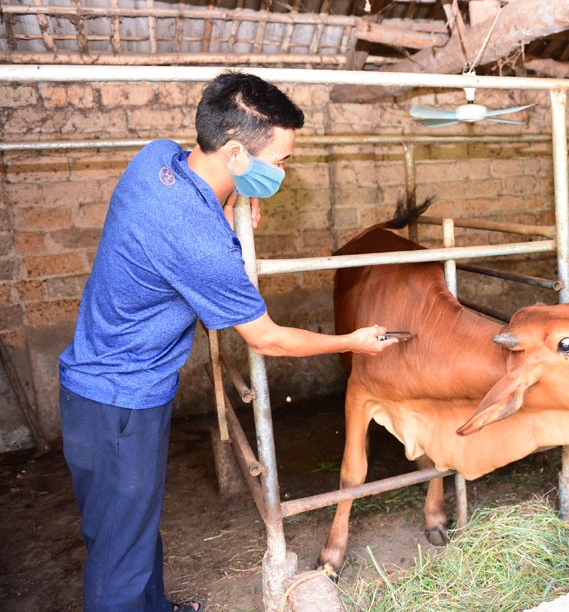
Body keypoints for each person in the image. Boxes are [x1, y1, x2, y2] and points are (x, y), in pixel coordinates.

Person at [58, 72, 398, 612]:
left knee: (135, 527)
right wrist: (353, 342)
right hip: (119, 402)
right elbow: (268, 339)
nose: (284, 171)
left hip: (105, 388)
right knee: (116, 557)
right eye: (281, 161)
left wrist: (229, 198)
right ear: (236, 151)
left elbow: (195, 194)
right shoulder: (202, 246)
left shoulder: (155, 158)